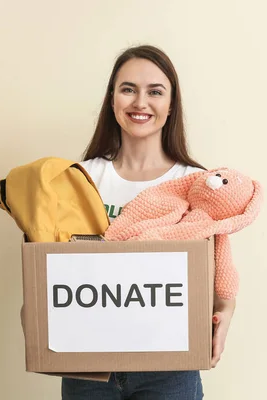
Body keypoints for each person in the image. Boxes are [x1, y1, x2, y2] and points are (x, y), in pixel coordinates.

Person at [61, 45, 235, 400]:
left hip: (169, 367)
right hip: (89, 365)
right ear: (112, 99)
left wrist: (225, 313)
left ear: (171, 105)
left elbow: (218, 268)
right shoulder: (80, 178)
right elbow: (58, 264)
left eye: (155, 91)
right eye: (128, 89)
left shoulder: (197, 183)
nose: (140, 102)